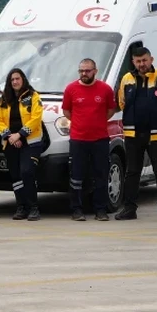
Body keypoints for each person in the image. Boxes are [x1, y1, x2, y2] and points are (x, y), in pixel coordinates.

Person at [116, 46, 157, 222]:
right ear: (133, 62)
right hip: (133, 134)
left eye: (144, 60)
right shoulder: (126, 79)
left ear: (151, 59)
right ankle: (129, 209)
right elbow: (122, 103)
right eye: (138, 61)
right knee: (132, 172)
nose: (141, 64)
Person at [62, 59, 116, 222]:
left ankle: (100, 209)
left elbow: (111, 110)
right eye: (81, 71)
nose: (84, 74)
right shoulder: (71, 89)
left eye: (87, 71)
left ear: (95, 71)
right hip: (78, 140)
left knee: (101, 175)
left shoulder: (105, 89)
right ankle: (77, 209)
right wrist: (81, 124)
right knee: (76, 176)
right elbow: (66, 111)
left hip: (100, 139)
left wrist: (96, 122)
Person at [0, 68, 45, 221]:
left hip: (30, 142)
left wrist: (20, 135)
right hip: (11, 142)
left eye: (17, 78)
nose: (15, 82)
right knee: (16, 176)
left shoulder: (33, 96)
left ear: (23, 79)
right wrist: (9, 136)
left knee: (27, 172)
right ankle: (21, 206)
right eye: (12, 80)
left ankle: (33, 207)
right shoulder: (4, 99)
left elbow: (36, 118)